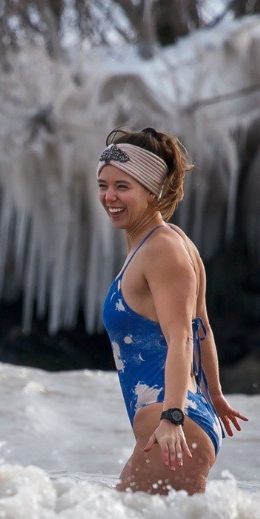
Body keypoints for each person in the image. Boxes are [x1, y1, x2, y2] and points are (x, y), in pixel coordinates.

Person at [98, 126, 247, 494]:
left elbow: (182, 337)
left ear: (153, 191)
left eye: (123, 186)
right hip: (182, 420)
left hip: (173, 424)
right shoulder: (167, 242)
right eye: (103, 184)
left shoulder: (163, 250)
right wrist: (214, 396)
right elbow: (203, 330)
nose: (109, 196)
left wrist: (174, 416)